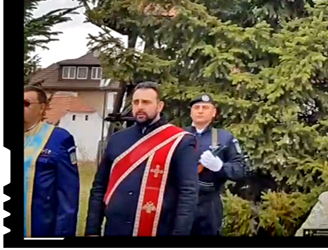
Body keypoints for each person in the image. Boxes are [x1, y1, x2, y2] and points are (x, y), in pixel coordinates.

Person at [85, 81, 198, 236]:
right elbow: (99, 187)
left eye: (146, 102)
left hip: (158, 228)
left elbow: (188, 193)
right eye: (136, 102)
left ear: (160, 106)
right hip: (116, 228)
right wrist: (92, 230)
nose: (140, 107)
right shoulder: (117, 139)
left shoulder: (180, 141)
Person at [186, 94, 251, 235]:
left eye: (205, 107)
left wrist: (220, 167)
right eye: (196, 107)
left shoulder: (224, 138)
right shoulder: (179, 136)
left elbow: (241, 170)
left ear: (214, 112)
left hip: (208, 203)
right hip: (181, 200)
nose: (200, 111)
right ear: (191, 112)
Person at [23, 86, 80, 237]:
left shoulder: (58, 138)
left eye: (26, 103)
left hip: (40, 226)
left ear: (42, 108)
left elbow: (68, 195)